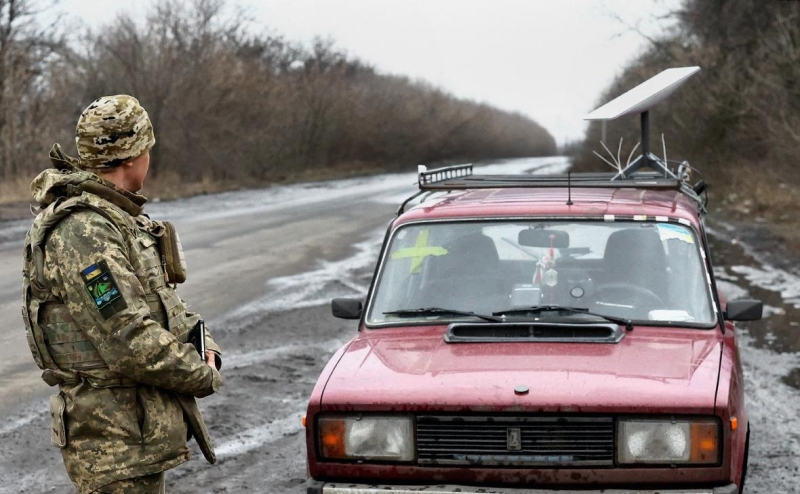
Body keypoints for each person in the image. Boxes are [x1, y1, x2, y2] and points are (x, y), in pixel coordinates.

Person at [21, 95, 223, 493]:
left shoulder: (118, 219)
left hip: (135, 435)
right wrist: (200, 372)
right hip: (113, 442)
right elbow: (127, 338)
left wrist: (205, 342)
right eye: (147, 147)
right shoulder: (85, 232)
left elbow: (165, 303)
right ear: (132, 156)